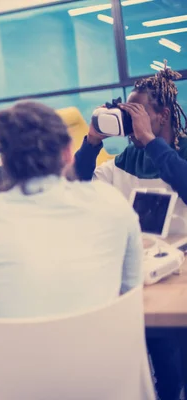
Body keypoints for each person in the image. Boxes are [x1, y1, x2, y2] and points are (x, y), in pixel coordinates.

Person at [0, 101, 143, 400]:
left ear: (3, 157)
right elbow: (133, 292)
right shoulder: (114, 205)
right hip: (105, 383)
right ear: (68, 152)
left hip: (12, 389)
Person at [74, 66, 187, 400]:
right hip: (141, 275)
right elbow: (78, 190)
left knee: (172, 356)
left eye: (139, 114)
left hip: (180, 276)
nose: (132, 123)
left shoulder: (176, 153)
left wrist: (151, 142)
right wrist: (92, 141)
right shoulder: (127, 158)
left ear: (163, 115)